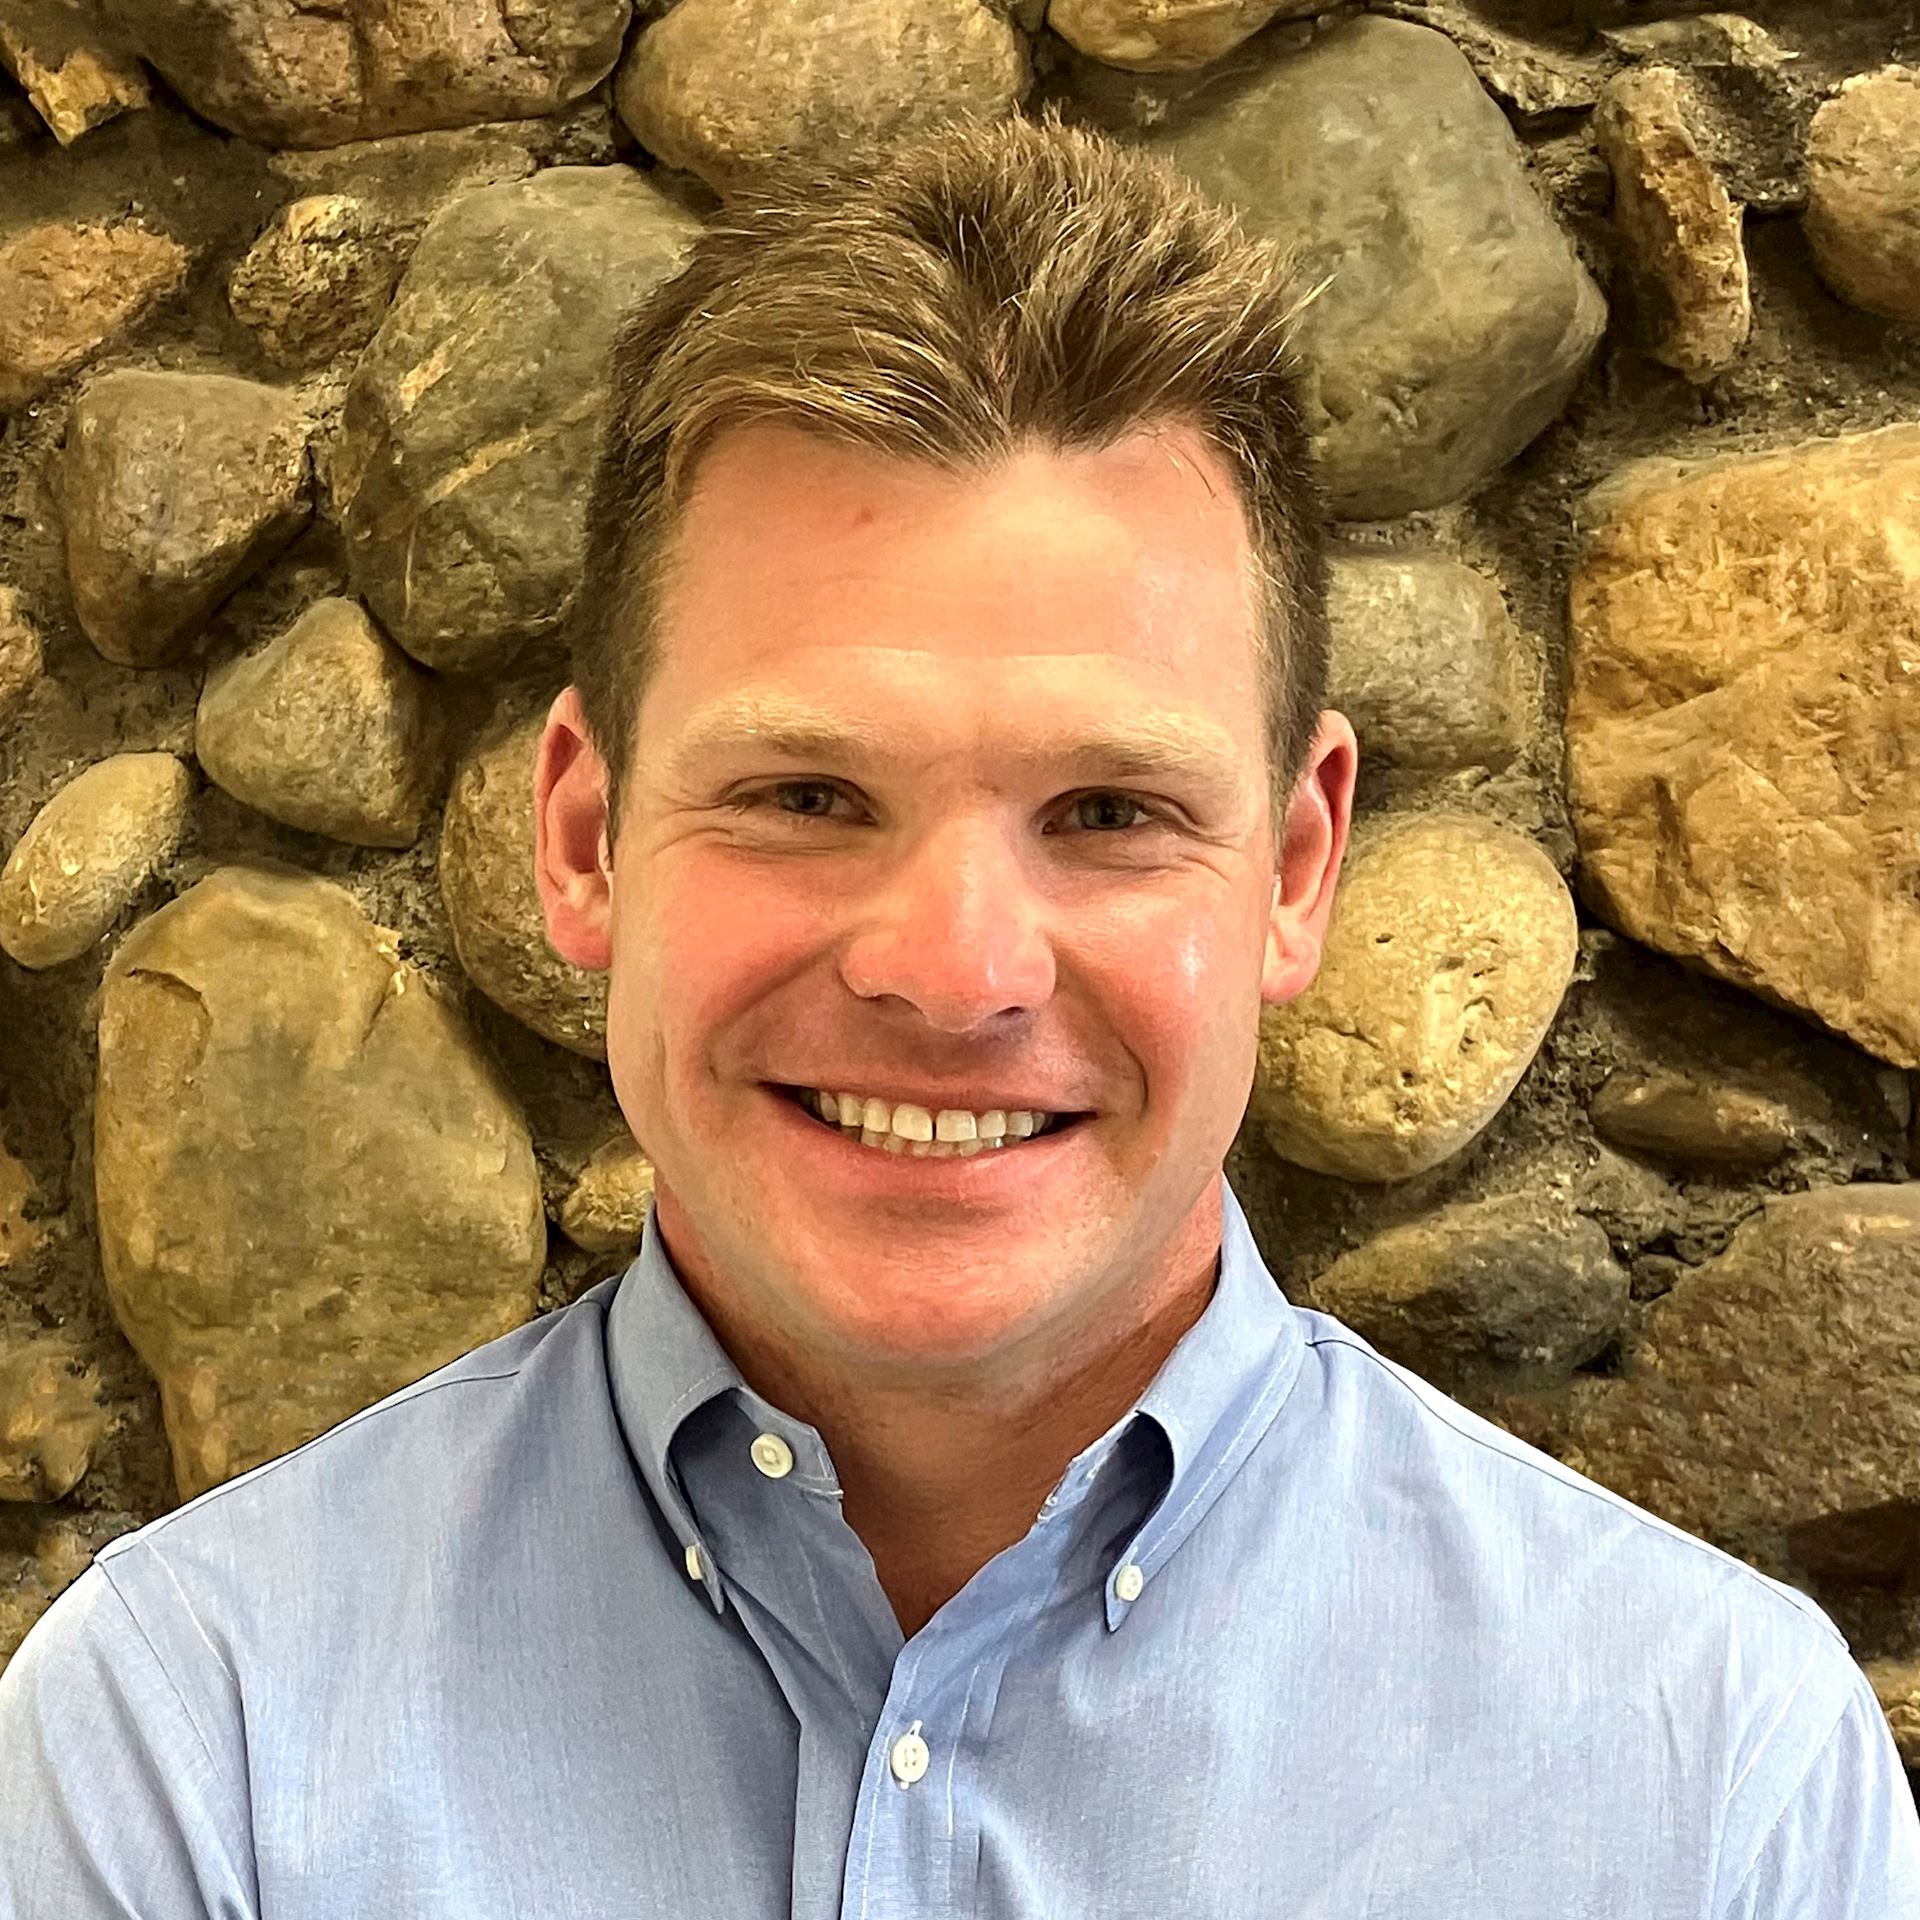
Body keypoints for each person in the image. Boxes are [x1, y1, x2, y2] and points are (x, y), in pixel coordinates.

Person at [3, 105, 1916, 1919]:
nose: (956, 970)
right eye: (807, 798)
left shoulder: (1711, 1784)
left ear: (1297, 867)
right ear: (582, 837)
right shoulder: (191, 1744)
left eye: (1110, 812)